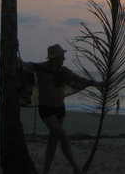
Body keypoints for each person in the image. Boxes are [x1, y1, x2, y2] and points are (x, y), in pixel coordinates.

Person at [28, 44, 104, 174]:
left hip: (60, 109)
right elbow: (23, 65)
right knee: (61, 133)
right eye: (62, 56)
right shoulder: (40, 69)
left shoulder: (63, 72)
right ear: (56, 58)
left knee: (53, 143)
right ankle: (75, 168)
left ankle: (45, 171)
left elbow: (79, 80)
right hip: (46, 109)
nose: (64, 58)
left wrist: (96, 84)